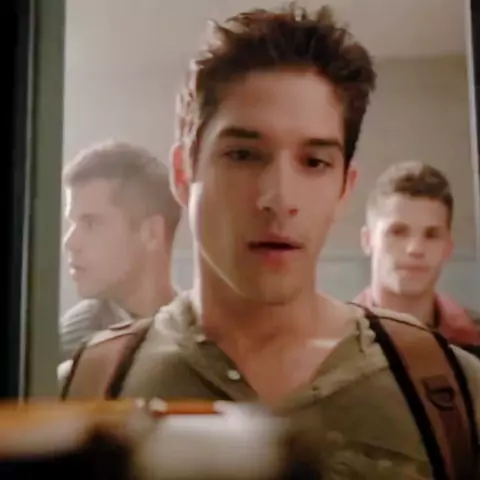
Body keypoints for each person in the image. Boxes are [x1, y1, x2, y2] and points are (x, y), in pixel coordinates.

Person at [61, 4, 480, 477]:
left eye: (314, 162)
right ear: (183, 174)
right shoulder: (86, 389)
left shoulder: (451, 391)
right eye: (243, 155)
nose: (279, 198)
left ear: (344, 189)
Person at [60, 140, 181, 359]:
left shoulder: (209, 337)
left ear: (151, 232)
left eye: (91, 223)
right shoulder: (69, 351)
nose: (69, 242)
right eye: (72, 223)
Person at [354, 161, 480, 357]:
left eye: (431, 235)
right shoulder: (332, 342)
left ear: (448, 248)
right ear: (367, 240)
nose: (415, 249)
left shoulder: (475, 337)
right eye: (397, 232)